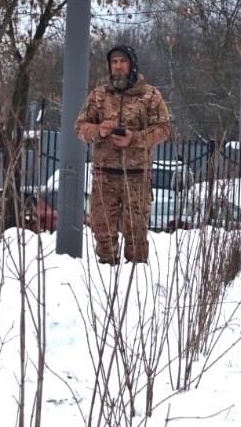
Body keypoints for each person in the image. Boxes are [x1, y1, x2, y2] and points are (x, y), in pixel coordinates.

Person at [74, 45, 172, 265]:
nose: (118, 67)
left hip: (136, 175)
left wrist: (134, 138)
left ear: (132, 65)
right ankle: (107, 275)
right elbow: (79, 127)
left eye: (123, 62)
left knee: (136, 232)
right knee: (102, 230)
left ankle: (135, 280)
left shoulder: (150, 96)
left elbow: (164, 129)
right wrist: (99, 131)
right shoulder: (99, 95)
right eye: (114, 62)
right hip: (104, 175)